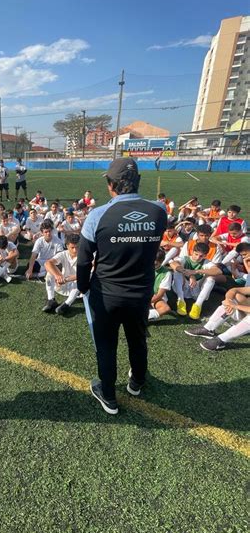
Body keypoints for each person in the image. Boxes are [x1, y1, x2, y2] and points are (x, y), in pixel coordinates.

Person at [77, 158, 167, 415]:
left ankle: (108, 396)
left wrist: (83, 287)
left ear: (111, 184)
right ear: (138, 181)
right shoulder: (159, 211)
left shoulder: (98, 215)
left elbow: (84, 260)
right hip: (141, 293)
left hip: (107, 294)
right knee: (137, 339)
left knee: (106, 345)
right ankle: (137, 382)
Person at [184, 246, 250, 351]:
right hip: (245, 310)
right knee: (235, 296)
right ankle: (208, 329)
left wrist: (235, 305)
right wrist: (228, 301)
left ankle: (221, 340)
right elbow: (233, 291)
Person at [169, 242, 222, 320]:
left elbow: (218, 271)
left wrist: (196, 272)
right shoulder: (185, 258)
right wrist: (190, 275)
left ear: (205, 256)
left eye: (201, 256)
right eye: (196, 254)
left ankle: (198, 305)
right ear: (192, 251)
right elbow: (173, 264)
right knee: (177, 271)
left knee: (211, 278)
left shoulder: (206, 262)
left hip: (196, 290)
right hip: (182, 287)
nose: (198, 258)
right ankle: (181, 300)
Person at [43, 234, 80, 315]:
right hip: (62, 285)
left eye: (77, 247)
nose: (75, 250)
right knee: (49, 274)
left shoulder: (86, 255)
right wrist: (58, 276)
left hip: (78, 290)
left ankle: (67, 304)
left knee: (80, 279)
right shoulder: (64, 254)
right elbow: (47, 263)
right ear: (67, 246)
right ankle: (51, 300)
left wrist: (66, 279)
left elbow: (86, 274)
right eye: (72, 247)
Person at [148, 248, 172, 321]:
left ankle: (142, 317)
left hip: (153, 297)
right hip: (140, 294)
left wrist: (144, 303)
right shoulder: (142, 266)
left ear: (161, 262)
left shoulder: (167, 273)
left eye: (155, 264)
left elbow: (159, 295)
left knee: (166, 308)